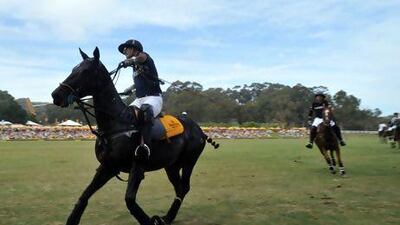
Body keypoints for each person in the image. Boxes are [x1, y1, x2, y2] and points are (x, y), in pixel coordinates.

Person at [118, 39, 163, 154]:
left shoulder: (144, 57)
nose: (124, 50)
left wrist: (131, 61)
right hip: (139, 98)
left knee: (145, 111)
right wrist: (131, 88)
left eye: (126, 48)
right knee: (124, 114)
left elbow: (141, 58)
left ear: (134, 49)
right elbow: (140, 81)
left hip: (153, 98)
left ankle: (144, 146)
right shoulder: (135, 67)